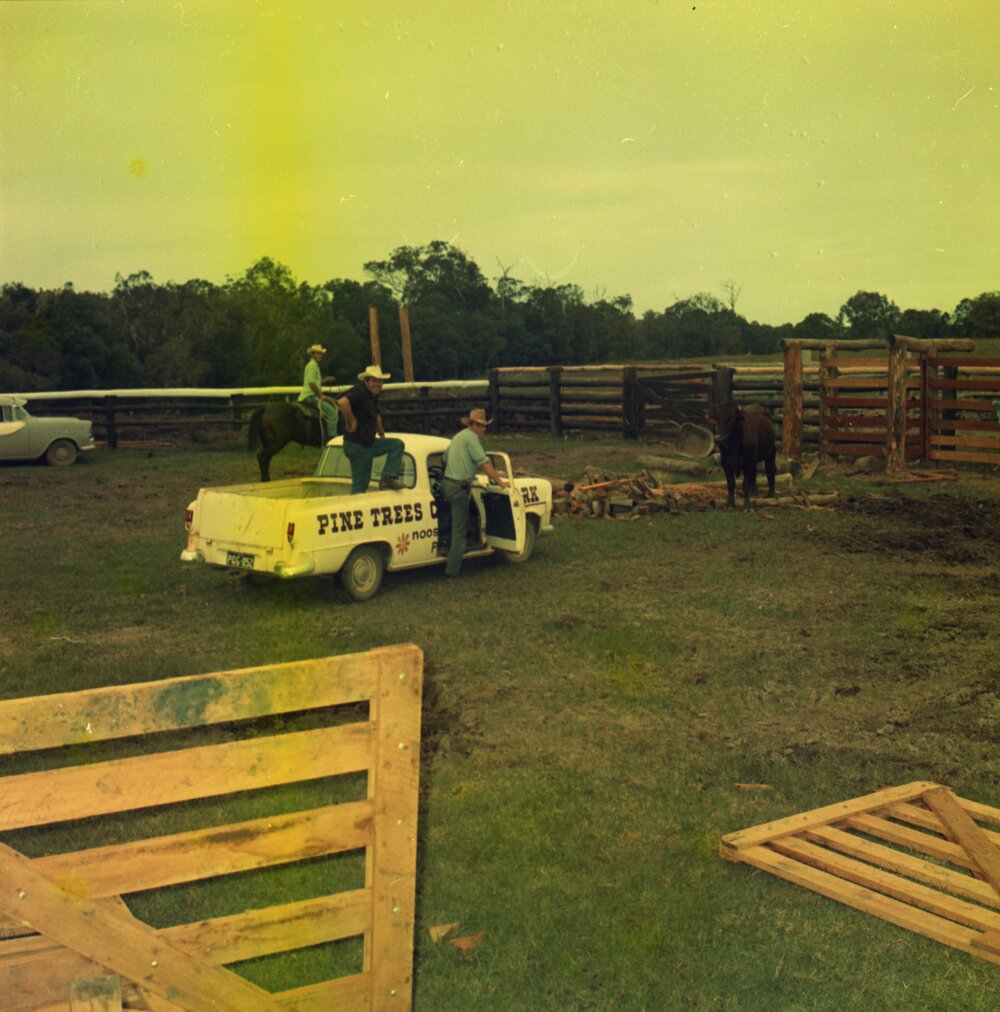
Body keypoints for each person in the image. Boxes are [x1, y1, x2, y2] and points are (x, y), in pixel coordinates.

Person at [441, 408, 508, 578]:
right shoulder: (472, 440)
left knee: (452, 519)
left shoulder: (458, 436)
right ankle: (452, 570)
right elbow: (484, 464)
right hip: (458, 488)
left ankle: (445, 547)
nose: (483, 429)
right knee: (459, 530)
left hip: (446, 484)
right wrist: (500, 482)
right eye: (480, 425)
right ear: (472, 425)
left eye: (484, 426)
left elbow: (444, 459)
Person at [336, 364, 406, 494]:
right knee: (361, 483)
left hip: (368, 443)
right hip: (357, 444)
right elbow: (342, 402)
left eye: (380, 381)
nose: (377, 384)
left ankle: (387, 478)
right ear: (366, 381)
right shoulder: (360, 392)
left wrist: (381, 434)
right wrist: (353, 421)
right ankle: (353, 509)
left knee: (396, 445)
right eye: (374, 381)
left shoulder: (373, 396)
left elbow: (376, 415)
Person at [298, 344, 338, 440]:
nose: (320, 355)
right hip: (310, 396)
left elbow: (314, 381)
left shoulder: (313, 366)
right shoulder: (312, 366)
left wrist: (325, 380)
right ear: (312, 354)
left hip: (309, 395)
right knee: (332, 412)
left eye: (321, 354)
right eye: (317, 353)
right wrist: (320, 396)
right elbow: (311, 383)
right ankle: (332, 438)